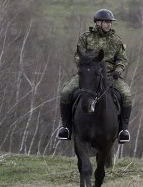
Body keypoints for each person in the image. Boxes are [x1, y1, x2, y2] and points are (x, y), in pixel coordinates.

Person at [57, 9, 134, 143]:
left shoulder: (116, 39)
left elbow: (122, 59)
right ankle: (66, 128)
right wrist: (85, 67)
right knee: (65, 92)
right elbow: (78, 54)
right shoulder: (86, 37)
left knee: (126, 94)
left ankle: (123, 130)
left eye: (110, 22)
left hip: (110, 75)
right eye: (106, 22)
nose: (109, 24)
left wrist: (118, 70)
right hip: (88, 74)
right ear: (98, 23)